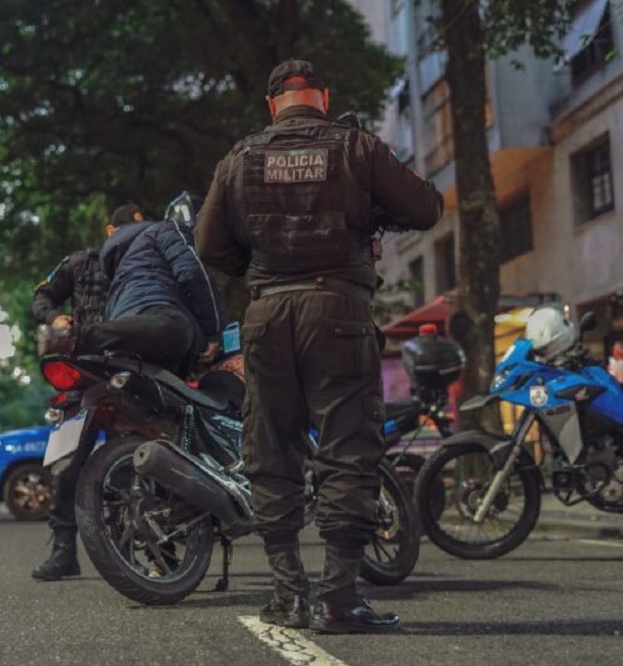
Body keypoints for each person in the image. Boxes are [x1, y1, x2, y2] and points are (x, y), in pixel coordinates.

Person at [196, 59, 444, 634]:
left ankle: (287, 594)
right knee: (348, 452)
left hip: (267, 312)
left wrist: (258, 266)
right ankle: (339, 599)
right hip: (339, 311)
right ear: (323, 98)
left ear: (271, 104)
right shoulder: (358, 147)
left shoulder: (239, 158)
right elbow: (427, 208)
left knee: (270, 452)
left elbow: (210, 243)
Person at [30, 206, 127, 582]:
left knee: (139, 460)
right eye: (124, 232)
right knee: (67, 464)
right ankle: (63, 551)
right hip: (83, 371)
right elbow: (41, 297)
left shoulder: (146, 265)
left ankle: (150, 549)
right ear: (109, 231)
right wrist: (54, 318)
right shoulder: (80, 262)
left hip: (129, 370)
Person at [71, 202, 227, 376]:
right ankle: (79, 336)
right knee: (178, 332)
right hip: (165, 326)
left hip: (122, 346)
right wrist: (213, 332)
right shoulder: (164, 229)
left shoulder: (115, 271)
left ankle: (79, 337)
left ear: (111, 231)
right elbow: (193, 272)